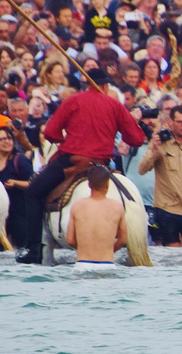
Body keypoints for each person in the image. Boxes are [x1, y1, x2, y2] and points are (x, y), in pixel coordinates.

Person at [18, 68, 146, 264]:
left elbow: (51, 133)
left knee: (33, 192)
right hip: (102, 164)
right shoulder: (115, 105)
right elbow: (136, 139)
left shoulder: (73, 101)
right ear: (105, 85)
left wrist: (66, 138)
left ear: (87, 84)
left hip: (71, 160)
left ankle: (33, 249)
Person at [138, 106, 182, 247]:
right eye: (180, 122)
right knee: (173, 252)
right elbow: (142, 169)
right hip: (167, 207)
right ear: (171, 122)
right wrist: (153, 150)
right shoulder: (161, 143)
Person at [65, 166, 128, 271]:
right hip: (107, 265)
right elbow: (123, 240)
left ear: (89, 185)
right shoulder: (117, 207)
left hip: (82, 265)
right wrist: (108, 250)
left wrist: (83, 249)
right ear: (107, 184)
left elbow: (70, 240)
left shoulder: (77, 206)